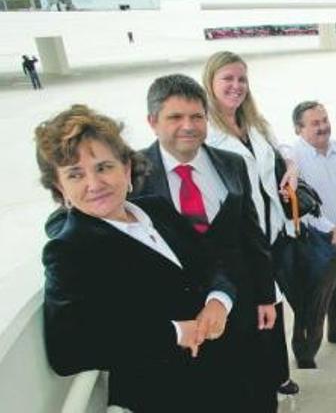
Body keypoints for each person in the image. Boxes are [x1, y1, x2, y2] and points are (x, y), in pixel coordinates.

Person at [36, 104, 241, 412]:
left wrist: (219, 300)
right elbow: (68, 349)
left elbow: (212, 262)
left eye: (104, 167)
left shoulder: (156, 209)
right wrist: (173, 332)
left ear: (127, 168)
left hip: (221, 380)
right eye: (75, 174)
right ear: (59, 187)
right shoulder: (70, 250)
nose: (94, 184)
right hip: (161, 395)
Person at [138, 74, 288, 409]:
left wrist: (266, 296)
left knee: (255, 392)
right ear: (152, 122)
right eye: (175, 117)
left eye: (197, 116)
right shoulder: (133, 175)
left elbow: (252, 235)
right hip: (183, 321)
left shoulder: (231, 164)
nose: (188, 126)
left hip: (243, 305)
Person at [200, 51, 299, 394]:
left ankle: (279, 375)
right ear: (211, 83)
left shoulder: (253, 122)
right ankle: (262, 382)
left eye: (241, 79)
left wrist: (291, 164)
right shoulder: (207, 132)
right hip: (240, 239)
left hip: (273, 235)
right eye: (227, 78)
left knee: (274, 309)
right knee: (253, 313)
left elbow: (278, 147)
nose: (236, 86)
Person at [279, 101, 336, 349]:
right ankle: (306, 354)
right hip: (319, 245)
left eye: (325, 120)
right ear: (299, 129)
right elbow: (297, 208)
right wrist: (331, 230)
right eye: (315, 123)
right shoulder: (293, 161)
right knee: (314, 304)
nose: (323, 127)